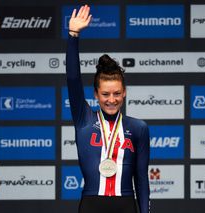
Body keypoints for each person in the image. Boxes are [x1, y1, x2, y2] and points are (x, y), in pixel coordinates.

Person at [66, 5, 150, 213]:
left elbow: (141, 179)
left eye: (116, 93)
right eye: (105, 94)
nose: (111, 100)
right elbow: (73, 79)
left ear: (124, 93)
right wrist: (73, 35)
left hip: (125, 205)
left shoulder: (139, 128)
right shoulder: (84, 119)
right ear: (96, 94)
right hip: (91, 205)